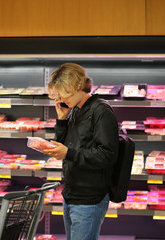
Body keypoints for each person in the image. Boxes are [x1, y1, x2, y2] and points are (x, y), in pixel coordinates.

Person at [42, 63, 119, 240]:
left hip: (89, 199)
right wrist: (62, 120)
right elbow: (63, 145)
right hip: (71, 194)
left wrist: (69, 153)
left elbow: (107, 155)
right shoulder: (76, 110)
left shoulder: (101, 111)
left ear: (77, 86)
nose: (60, 98)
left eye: (63, 92)